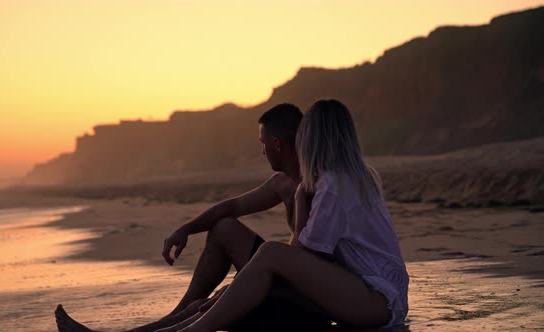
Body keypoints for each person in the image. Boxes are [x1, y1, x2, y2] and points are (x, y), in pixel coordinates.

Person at [55, 103, 330, 332]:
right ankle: (176, 313)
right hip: (284, 274)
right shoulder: (283, 183)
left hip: (309, 292)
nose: (262, 152)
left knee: (205, 306)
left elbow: (319, 259)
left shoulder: (323, 186)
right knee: (224, 228)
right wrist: (186, 229)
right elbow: (232, 207)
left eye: (263, 144)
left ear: (277, 144)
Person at [152, 99, 410, 332]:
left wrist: (299, 199)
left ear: (312, 139)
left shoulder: (333, 185)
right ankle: (182, 322)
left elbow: (304, 256)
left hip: (376, 300)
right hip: (372, 295)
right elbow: (238, 210)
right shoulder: (358, 176)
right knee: (243, 265)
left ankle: (190, 329)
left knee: (269, 256)